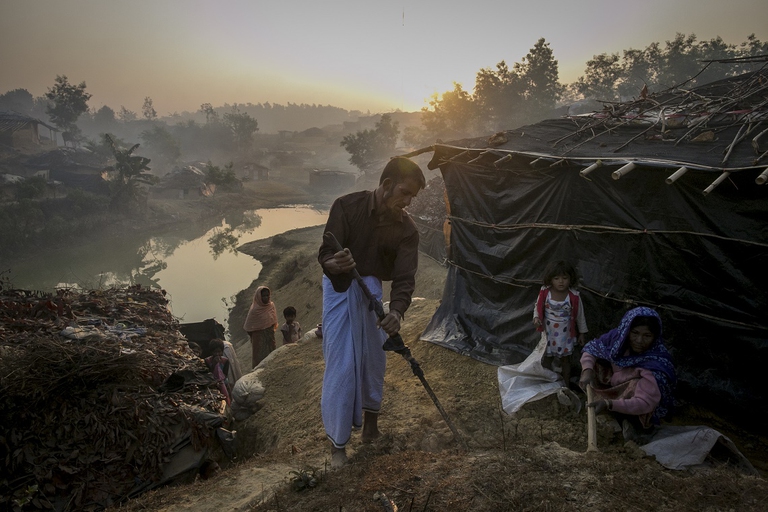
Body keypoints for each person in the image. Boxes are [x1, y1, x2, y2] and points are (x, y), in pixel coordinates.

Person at [318, 156, 426, 468]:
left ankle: (371, 428)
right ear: (387, 185)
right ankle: (338, 447)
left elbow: (405, 278)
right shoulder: (345, 206)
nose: (406, 203)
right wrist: (332, 263)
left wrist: (398, 312)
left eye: (412, 198)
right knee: (342, 363)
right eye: (404, 193)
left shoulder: (407, 229)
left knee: (374, 360)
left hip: (372, 293)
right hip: (338, 290)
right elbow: (326, 250)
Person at [579, 306, 676, 441]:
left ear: (655, 337)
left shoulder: (656, 364)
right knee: (595, 363)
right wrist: (587, 370)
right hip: (614, 386)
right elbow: (592, 347)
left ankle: (634, 424)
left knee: (636, 384)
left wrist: (609, 404)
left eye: (647, 335)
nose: (639, 340)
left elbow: (645, 402)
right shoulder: (617, 339)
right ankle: (597, 402)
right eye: (635, 333)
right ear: (627, 331)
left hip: (637, 404)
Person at [533, 260, 588, 388]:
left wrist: (582, 333)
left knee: (565, 361)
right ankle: (545, 383)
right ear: (550, 279)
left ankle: (565, 385)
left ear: (571, 278)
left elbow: (580, 316)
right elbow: (538, 306)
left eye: (565, 278)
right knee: (547, 358)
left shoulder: (573, 296)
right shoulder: (545, 292)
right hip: (549, 333)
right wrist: (536, 318)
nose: (561, 281)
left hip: (565, 335)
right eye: (556, 278)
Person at [243, 285, 278, 368]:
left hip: (269, 336)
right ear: (259, 297)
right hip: (259, 339)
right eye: (263, 296)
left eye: (267, 295)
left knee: (272, 356)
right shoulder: (254, 310)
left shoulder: (271, 306)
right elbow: (248, 326)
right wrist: (256, 336)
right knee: (259, 359)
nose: (266, 298)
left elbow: (273, 320)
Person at [204, 338, 232, 405]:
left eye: (219, 352)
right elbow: (209, 374)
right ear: (211, 352)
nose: (217, 354)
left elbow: (225, 374)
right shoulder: (207, 361)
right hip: (212, 383)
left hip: (223, 382)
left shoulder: (225, 361)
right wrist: (214, 365)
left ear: (222, 351)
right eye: (215, 352)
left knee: (228, 396)